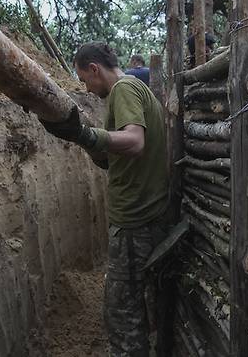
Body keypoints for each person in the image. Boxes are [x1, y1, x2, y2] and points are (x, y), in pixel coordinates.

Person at [40, 42, 169, 356]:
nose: (85, 86)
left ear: (94, 69)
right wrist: (85, 141)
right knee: (137, 305)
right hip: (144, 217)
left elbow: (135, 142)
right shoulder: (133, 90)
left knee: (121, 314)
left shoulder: (124, 89)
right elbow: (118, 159)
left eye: (84, 79)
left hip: (135, 221)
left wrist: (85, 134)